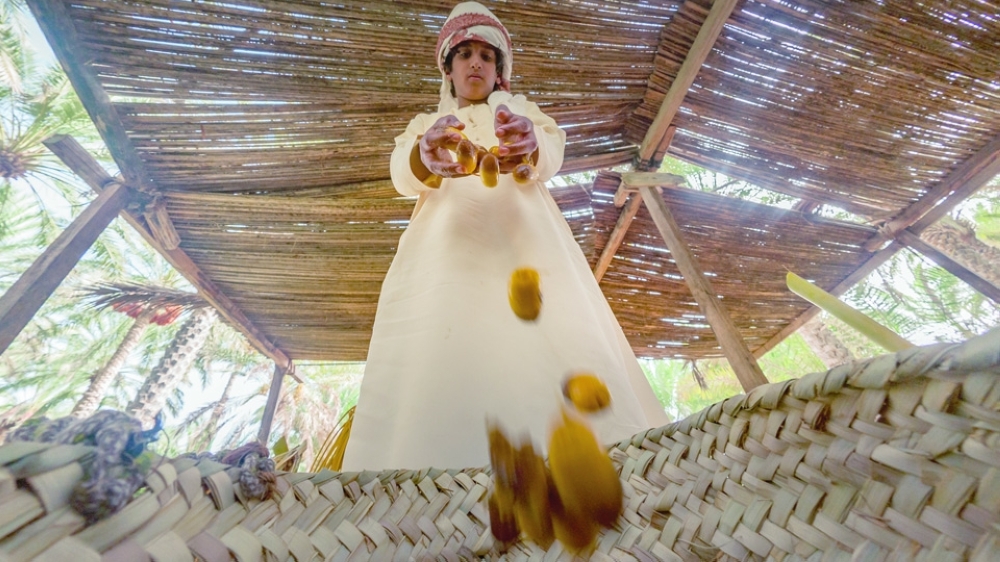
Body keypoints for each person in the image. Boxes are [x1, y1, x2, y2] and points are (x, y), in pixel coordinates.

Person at [342, 2, 668, 471]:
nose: (476, 62)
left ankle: (588, 468)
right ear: (448, 70)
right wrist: (424, 157)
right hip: (446, 250)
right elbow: (401, 173)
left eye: (487, 56)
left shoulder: (521, 112)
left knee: (554, 337)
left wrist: (530, 142)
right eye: (465, 54)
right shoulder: (424, 126)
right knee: (443, 344)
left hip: (530, 245)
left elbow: (551, 149)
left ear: (499, 72)